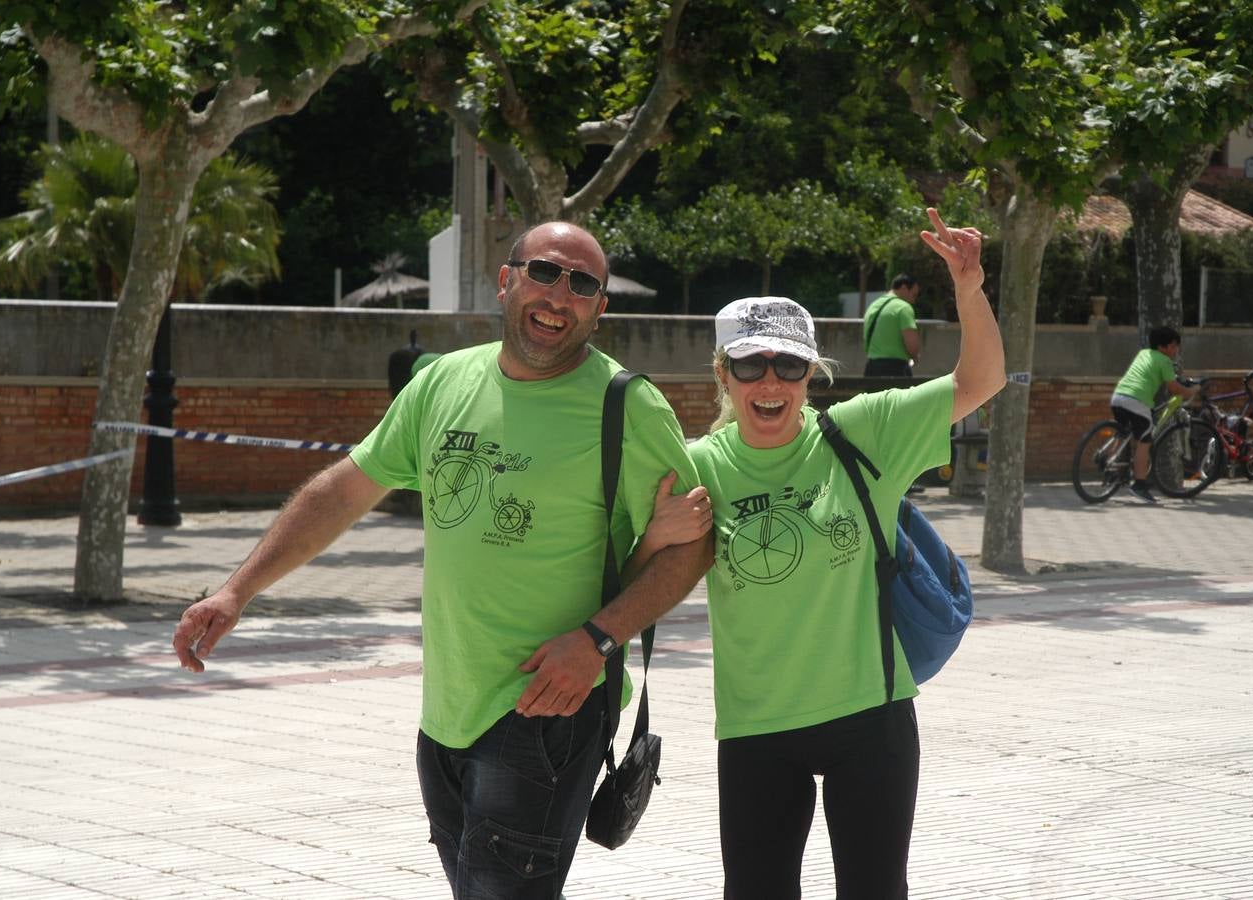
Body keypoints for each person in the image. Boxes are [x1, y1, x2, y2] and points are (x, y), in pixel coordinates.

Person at [171, 221, 714, 900]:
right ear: (506, 280)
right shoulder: (442, 383)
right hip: (447, 715)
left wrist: (597, 642)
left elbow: (692, 543)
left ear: (600, 308)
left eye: (582, 285)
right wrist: (236, 591)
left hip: (548, 710)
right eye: (545, 272)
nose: (558, 296)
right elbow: (343, 491)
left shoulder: (627, 405)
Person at [640, 209, 1004, 899]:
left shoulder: (862, 433)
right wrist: (657, 534)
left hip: (871, 716)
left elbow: (978, 383)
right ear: (723, 373)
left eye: (788, 364)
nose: (769, 382)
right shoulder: (696, 467)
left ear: (810, 373)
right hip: (756, 727)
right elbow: (626, 564)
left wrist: (968, 288)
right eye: (750, 364)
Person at [1111, 326, 1201, 503]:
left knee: (1123, 432)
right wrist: (1192, 391)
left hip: (1118, 398)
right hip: (1137, 401)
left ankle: (1110, 464)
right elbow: (1173, 388)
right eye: (1173, 346)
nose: (1176, 350)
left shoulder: (1143, 353)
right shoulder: (1165, 361)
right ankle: (1139, 485)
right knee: (1145, 440)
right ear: (1162, 347)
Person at [862, 273, 921, 377]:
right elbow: (912, 346)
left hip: (871, 368)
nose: (914, 300)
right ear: (903, 288)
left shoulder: (873, 306)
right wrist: (915, 356)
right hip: (895, 369)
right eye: (914, 295)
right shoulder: (903, 308)